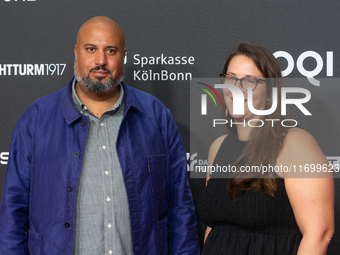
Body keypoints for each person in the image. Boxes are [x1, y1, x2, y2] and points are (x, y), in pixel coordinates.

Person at [0, 16, 200, 255]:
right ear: (76, 52)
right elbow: (14, 211)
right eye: (91, 49)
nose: (101, 61)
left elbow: (180, 209)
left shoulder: (156, 117)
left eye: (111, 51)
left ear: (123, 56)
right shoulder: (35, 120)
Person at [197, 42, 334, 255]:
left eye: (249, 81)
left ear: (270, 93)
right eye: (231, 78)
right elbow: (216, 228)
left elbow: (319, 234)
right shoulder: (218, 147)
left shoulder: (295, 144)